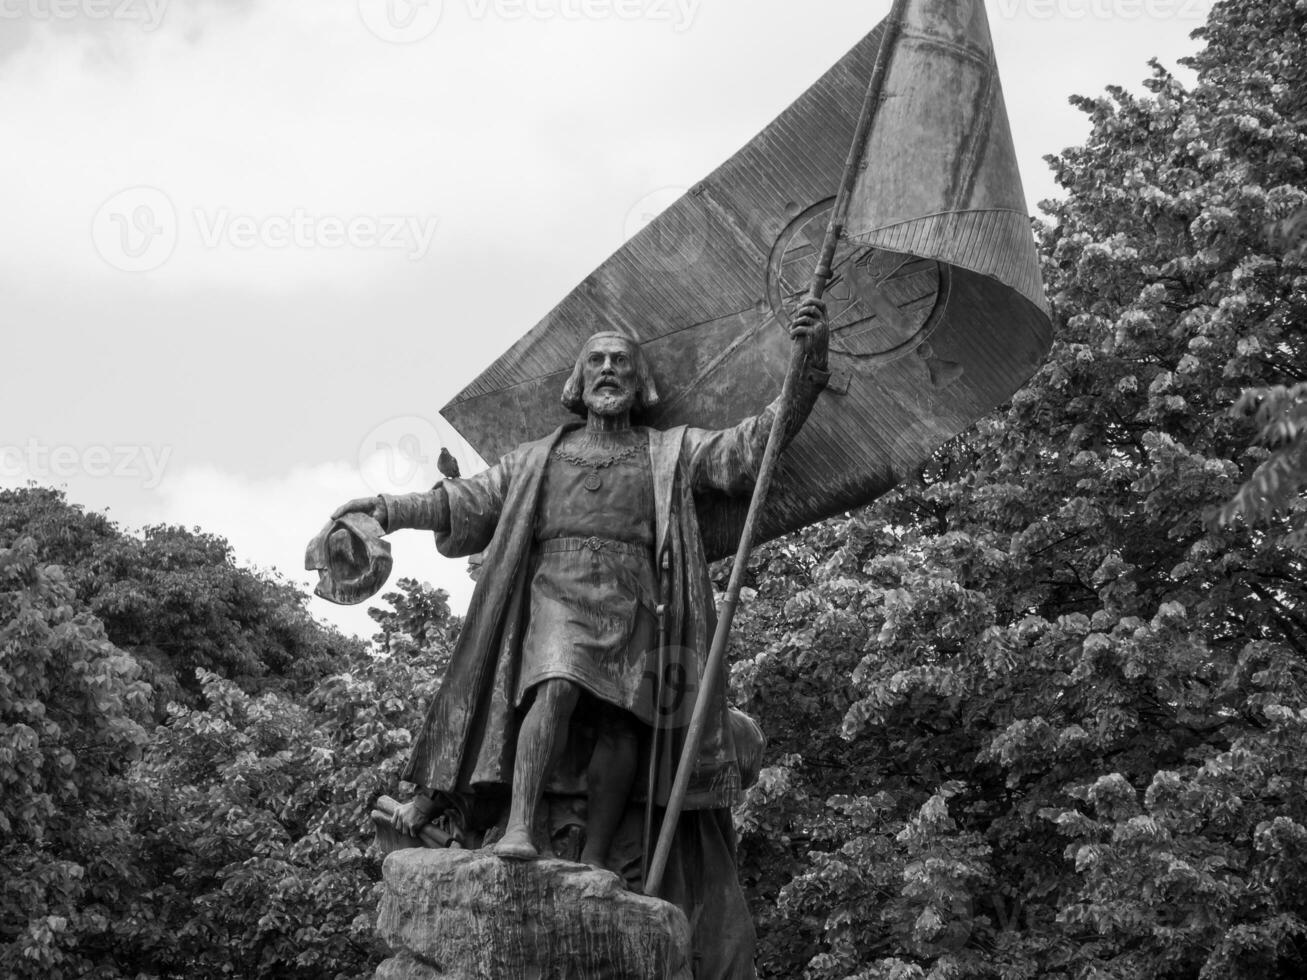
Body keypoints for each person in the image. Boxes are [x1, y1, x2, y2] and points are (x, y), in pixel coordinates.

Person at [332, 301, 828, 978]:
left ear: (640, 381)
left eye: (620, 362)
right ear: (576, 379)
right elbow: (462, 503)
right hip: (555, 593)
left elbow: (747, 450)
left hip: (632, 597)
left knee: (624, 724)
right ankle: (518, 826)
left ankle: (595, 855)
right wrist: (386, 508)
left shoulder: (666, 450)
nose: (608, 370)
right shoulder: (538, 457)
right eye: (595, 361)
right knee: (556, 686)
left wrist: (806, 368)